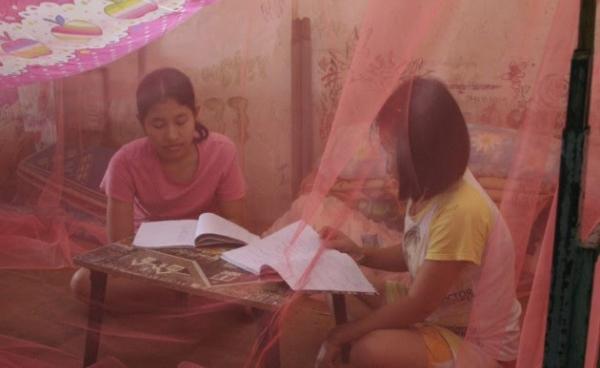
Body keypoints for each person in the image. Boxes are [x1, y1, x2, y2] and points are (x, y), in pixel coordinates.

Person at [317, 78, 521, 368]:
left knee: (367, 350)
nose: (387, 164)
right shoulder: (427, 187)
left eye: (391, 151)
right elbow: (415, 249)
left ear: (424, 156)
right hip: (436, 316)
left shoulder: (462, 210)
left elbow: (419, 304)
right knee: (341, 292)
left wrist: (345, 334)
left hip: (476, 344)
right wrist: (359, 252)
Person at [70, 67, 247, 303]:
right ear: (142, 123)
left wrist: (203, 257)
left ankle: (183, 294)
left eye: (181, 121)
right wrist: (164, 266)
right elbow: (119, 245)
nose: (172, 135)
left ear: (196, 114)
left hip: (204, 251)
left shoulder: (222, 151)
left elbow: (235, 223)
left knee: (249, 269)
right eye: (158, 124)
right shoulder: (124, 162)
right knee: (82, 284)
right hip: (149, 255)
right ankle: (188, 295)